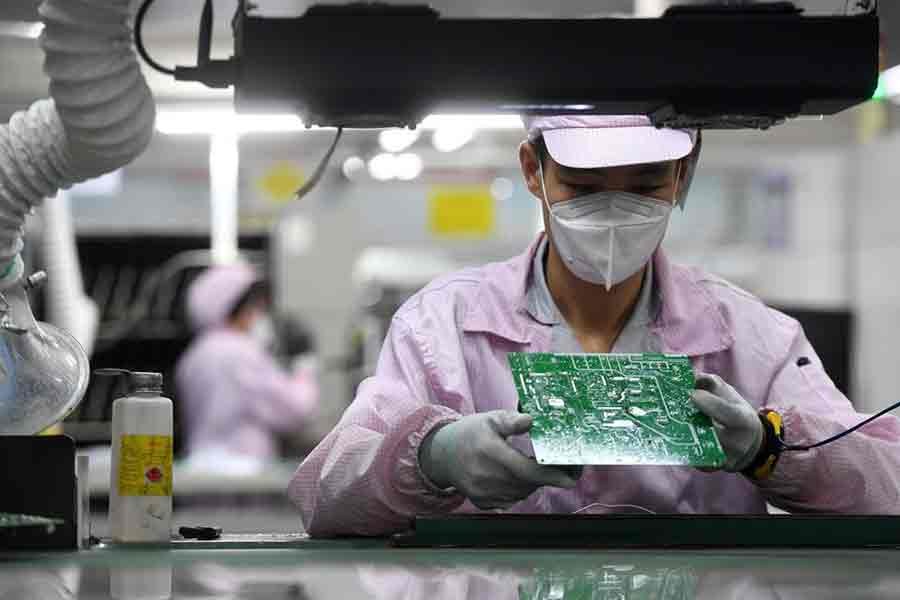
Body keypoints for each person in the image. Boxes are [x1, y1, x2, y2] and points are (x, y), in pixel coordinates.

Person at [289, 115, 900, 537]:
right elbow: (324, 494)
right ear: (533, 170)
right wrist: (432, 457)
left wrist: (769, 448)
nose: (613, 213)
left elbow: (888, 487)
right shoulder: (440, 327)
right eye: (582, 188)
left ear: (683, 175)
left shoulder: (754, 337)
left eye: (645, 186)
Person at [176, 264, 318, 465]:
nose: (259, 314)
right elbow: (294, 410)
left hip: (200, 467)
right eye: (254, 306)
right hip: (241, 474)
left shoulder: (196, 354)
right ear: (232, 308)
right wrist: (304, 368)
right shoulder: (241, 352)